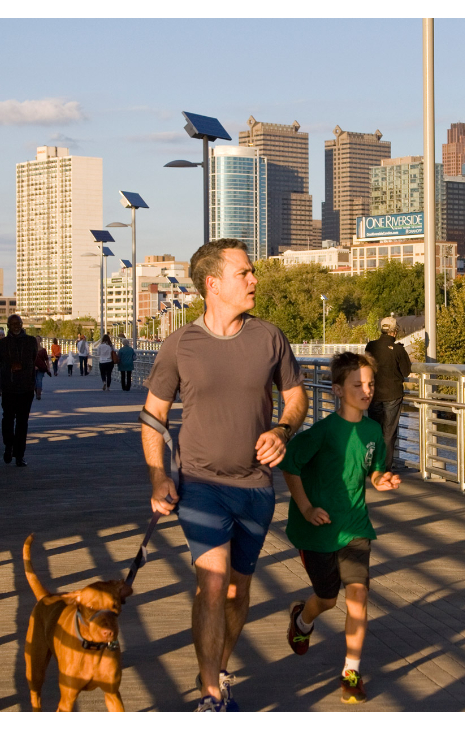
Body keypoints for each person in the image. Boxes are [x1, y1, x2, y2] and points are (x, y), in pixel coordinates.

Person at [141, 238, 307, 712]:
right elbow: (153, 415)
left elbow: (297, 397)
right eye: (245, 273)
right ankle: (211, 693)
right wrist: (158, 477)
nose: (255, 280)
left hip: (256, 486)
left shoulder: (270, 337)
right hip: (201, 484)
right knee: (212, 583)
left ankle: (215, 664)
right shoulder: (181, 345)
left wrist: (283, 429)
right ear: (213, 284)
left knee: (238, 590)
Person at [281, 352, 401, 704]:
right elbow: (290, 464)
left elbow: (373, 471)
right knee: (328, 599)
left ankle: (351, 672)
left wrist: (382, 479)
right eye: (358, 385)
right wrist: (306, 507)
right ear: (337, 390)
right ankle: (302, 619)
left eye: (370, 384)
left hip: (355, 526)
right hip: (318, 531)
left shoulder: (373, 430)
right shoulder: (323, 431)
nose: (366, 391)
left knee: (359, 598)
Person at [364, 316, 411, 473]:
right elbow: (406, 371)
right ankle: (384, 468)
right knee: (389, 432)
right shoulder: (398, 350)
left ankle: (372, 464)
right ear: (395, 331)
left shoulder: (371, 347)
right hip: (393, 394)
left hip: (374, 393)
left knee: (374, 429)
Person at [0, 314, 38, 467]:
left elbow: (33, 361)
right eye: (13, 324)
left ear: (22, 324)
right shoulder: (0, 345)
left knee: (23, 422)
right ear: (8, 326)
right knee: (8, 420)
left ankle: (19, 455)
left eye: (18, 323)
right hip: (9, 387)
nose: (16, 326)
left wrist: (35, 384)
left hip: (26, 388)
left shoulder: (31, 341)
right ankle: (8, 446)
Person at [34, 335, 52, 400]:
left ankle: (38, 394)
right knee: (34, 381)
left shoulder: (43, 350)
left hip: (41, 368)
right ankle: (36, 390)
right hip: (33, 368)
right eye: (36, 340)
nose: (37, 341)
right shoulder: (32, 350)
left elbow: (46, 359)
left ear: (40, 341)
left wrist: (48, 368)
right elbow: (30, 359)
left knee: (39, 380)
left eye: (38, 340)